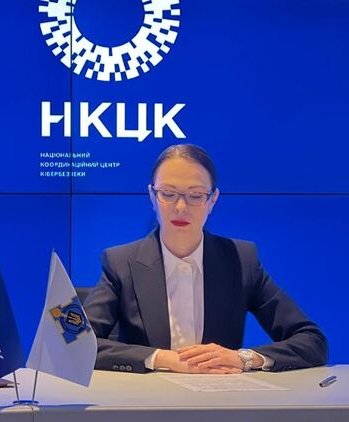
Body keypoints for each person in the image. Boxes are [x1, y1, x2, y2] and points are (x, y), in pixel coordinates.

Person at [83, 144, 327, 374]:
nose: (181, 207)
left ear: (212, 200)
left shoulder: (241, 261)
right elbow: (78, 344)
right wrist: (161, 358)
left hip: (221, 395)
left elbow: (312, 341)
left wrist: (243, 358)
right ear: (152, 196)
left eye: (195, 195)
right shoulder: (121, 263)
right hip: (146, 397)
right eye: (168, 193)